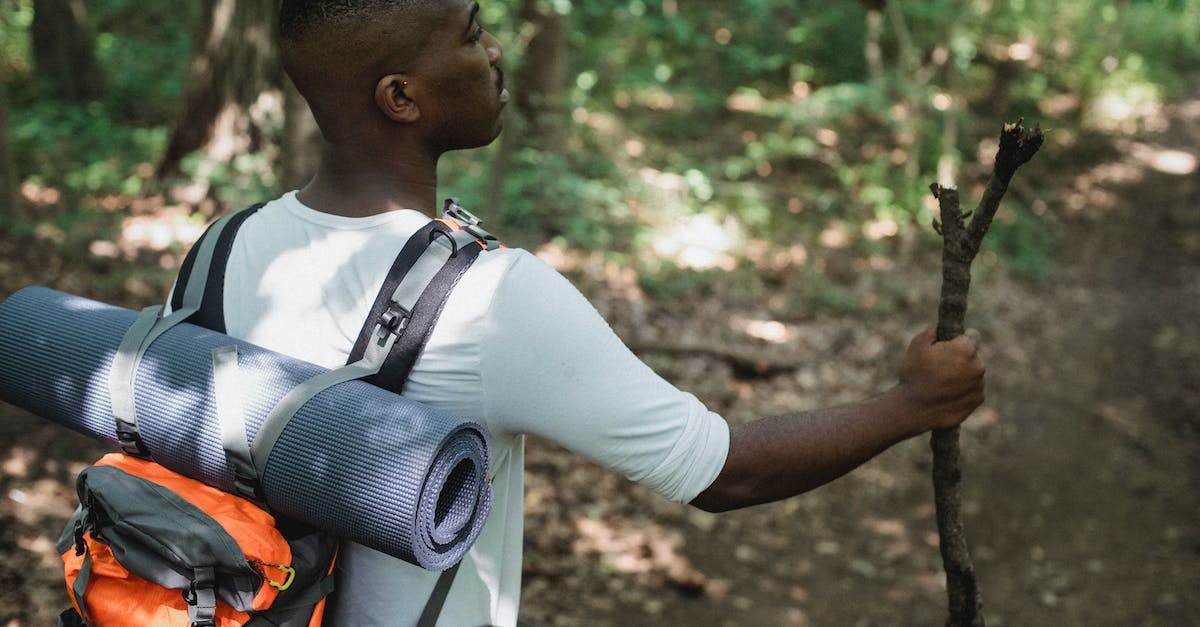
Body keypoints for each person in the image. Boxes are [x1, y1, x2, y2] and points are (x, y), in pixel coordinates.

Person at [221, 1, 989, 624]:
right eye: (473, 32)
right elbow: (724, 471)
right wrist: (913, 404)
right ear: (400, 97)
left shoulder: (224, 248)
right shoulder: (491, 298)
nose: (493, 52)